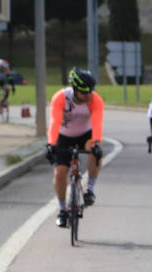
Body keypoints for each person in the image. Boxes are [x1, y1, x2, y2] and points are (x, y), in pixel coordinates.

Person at [45, 67, 104, 228]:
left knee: (95, 149)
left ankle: (90, 188)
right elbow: (54, 123)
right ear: (75, 89)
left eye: (90, 92)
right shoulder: (60, 98)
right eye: (85, 93)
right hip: (63, 136)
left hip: (85, 134)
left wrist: (97, 142)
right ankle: (63, 210)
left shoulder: (95, 99)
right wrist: (51, 144)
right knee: (60, 173)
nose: (88, 96)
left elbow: (97, 124)